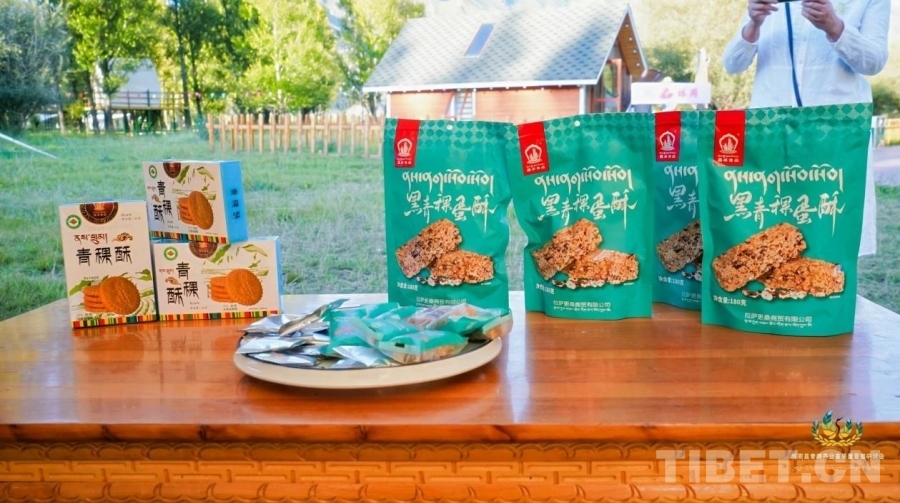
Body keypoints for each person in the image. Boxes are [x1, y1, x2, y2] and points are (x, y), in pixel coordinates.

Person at [722, 0, 890, 256]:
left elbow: (874, 61)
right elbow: (732, 64)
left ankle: (834, 279)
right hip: (772, 130)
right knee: (771, 228)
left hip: (836, 131)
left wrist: (835, 27)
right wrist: (754, 23)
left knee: (833, 223)